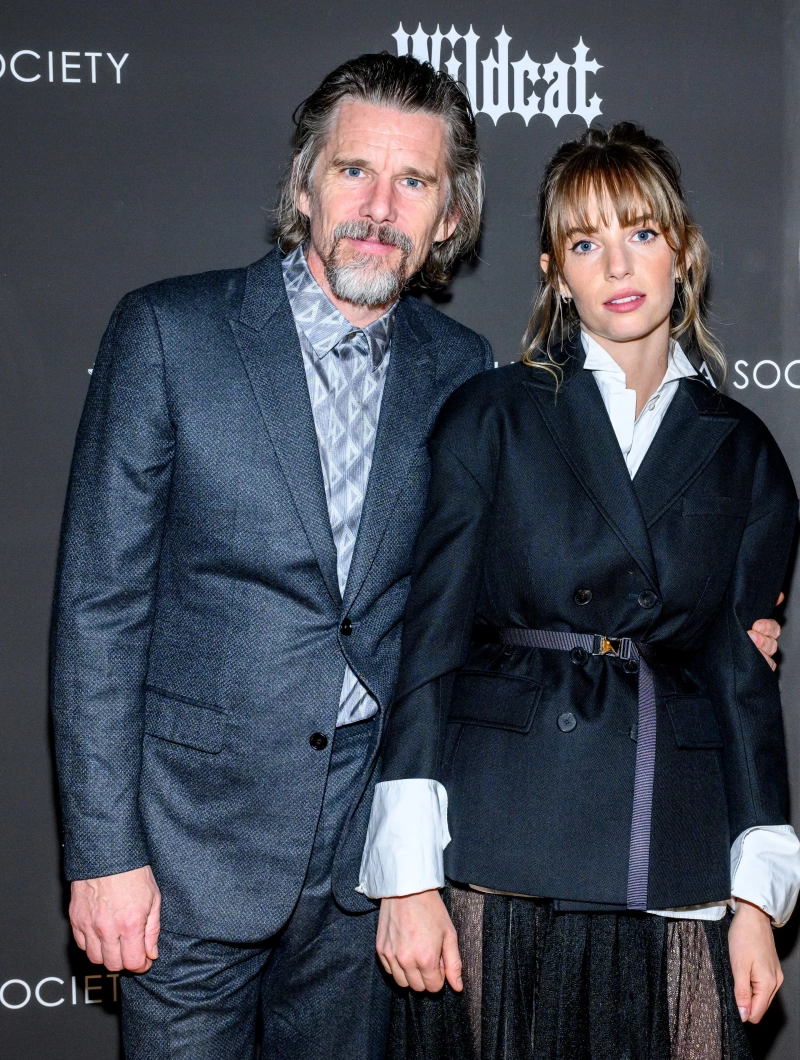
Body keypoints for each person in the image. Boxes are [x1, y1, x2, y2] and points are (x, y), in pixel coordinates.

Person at [50, 53, 491, 1060]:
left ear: (449, 220)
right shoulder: (170, 333)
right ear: (303, 186)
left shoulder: (463, 371)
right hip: (186, 851)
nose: (378, 208)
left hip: (361, 872)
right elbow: (99, 608)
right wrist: (104, 852)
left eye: (413, 182)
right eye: (354, 171)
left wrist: (705, 618)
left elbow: (474, 603)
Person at [358, 123, 800, 1060]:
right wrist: (406, 876)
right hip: (504, 836)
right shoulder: (492, 415)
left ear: (684, 250)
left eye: (641, 232)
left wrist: (758, 900)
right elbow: (429, 643)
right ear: (556, 273)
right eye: (586, 242)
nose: (619, 265)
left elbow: (742, 683)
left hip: (672, 842)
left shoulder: (744, 452)